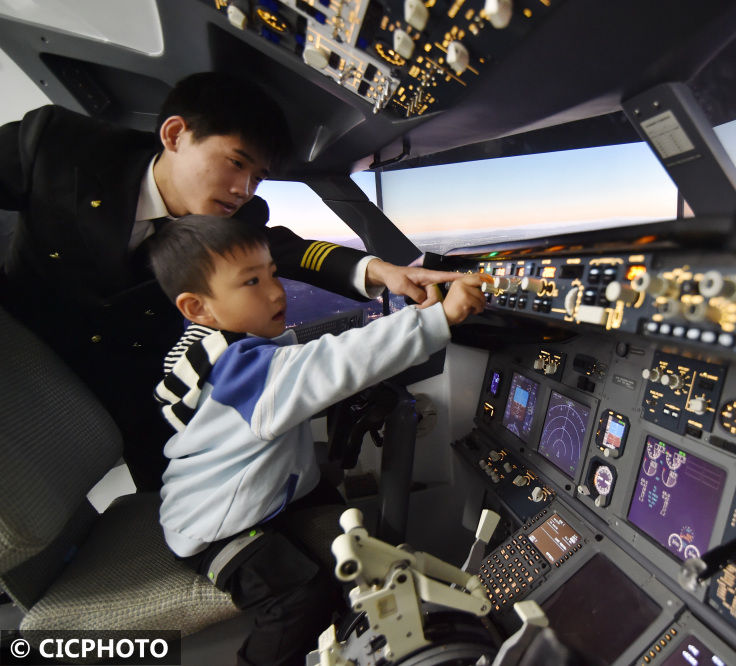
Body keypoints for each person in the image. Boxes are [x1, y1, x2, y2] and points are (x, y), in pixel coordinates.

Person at [0, 71, 459, 491]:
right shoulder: (60, 148)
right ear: (176, 135)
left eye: (258, 177)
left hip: (136, 385)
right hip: (23, 351)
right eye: (236, 163)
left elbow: (285, 249)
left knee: (174, 501)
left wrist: (382, 271)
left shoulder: (238, 217)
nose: (245, 190)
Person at [146, 214, 485, 666]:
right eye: (251, 282)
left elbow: (304, 368)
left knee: (346, 533)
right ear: (197, 307)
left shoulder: (209, 346)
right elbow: (327, 365)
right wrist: (437, 319)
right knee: (299, 596)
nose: (275, 291)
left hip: (262, 497)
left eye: (273, 273)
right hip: (213, 528)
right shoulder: (239, 371)